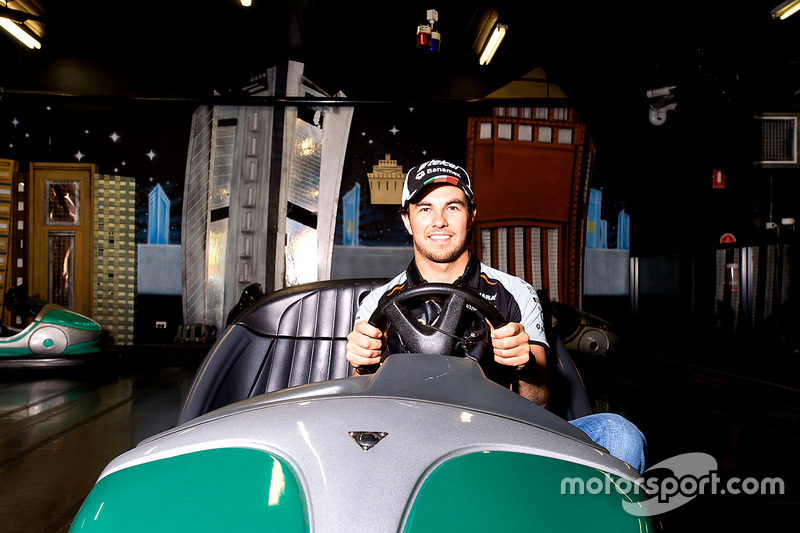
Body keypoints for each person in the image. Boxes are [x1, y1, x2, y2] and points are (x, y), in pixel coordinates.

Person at [346, 158, 646, 473]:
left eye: (452, 207)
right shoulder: (378, 303)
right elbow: (362, 408)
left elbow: (539, 402)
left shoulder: (516, 294)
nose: (439, 222)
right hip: (408, 437)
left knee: (619, 433)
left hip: (500, 438)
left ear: (471, 216)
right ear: (407, 220)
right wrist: (362, 363)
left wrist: (525, 366)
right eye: (424, 208)